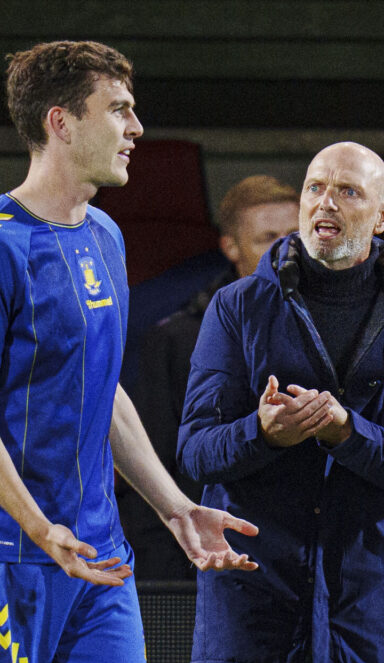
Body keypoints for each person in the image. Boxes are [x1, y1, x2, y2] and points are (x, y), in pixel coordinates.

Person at [0, 40, 257, 663]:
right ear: (61, 121)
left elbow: (101, 390)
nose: (135, 128)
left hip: (100, 553)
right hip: (4, 553)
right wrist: (36, 525)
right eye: (118, 110)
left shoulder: (105, 235)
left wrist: (175, 508)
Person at [177, 141, 384, 663]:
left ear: (383, 216)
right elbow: (195, 453)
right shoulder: (236, 307)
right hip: (254, 600)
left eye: (348, 191)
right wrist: (262, 433)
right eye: (316, 187)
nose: (325, 202)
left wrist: (346, 432)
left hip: (371, 605)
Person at [119, 174, 298, 579]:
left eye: (294, 236)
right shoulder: (177, 341)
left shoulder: (338, 332)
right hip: (206, 564)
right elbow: (152, 468)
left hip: (300, 560)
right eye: (268, 238)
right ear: (230, 247)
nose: (284, 251)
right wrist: (161, 580)